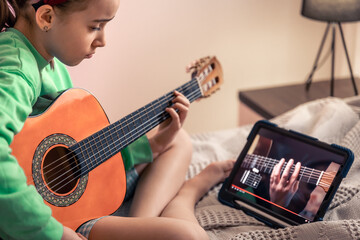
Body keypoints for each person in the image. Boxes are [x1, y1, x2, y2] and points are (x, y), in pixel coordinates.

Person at [0, 0, 235, 239]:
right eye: (95, 27)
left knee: (178, 141)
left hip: (77, 200)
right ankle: (186, 196)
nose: (103, 41)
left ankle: (140, 225)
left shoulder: (49, 60)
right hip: (48, 222)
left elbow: (78, 158)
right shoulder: (16, 69)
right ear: (47, 18)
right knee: (188, 235)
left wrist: (154, 145)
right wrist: (55, 233)